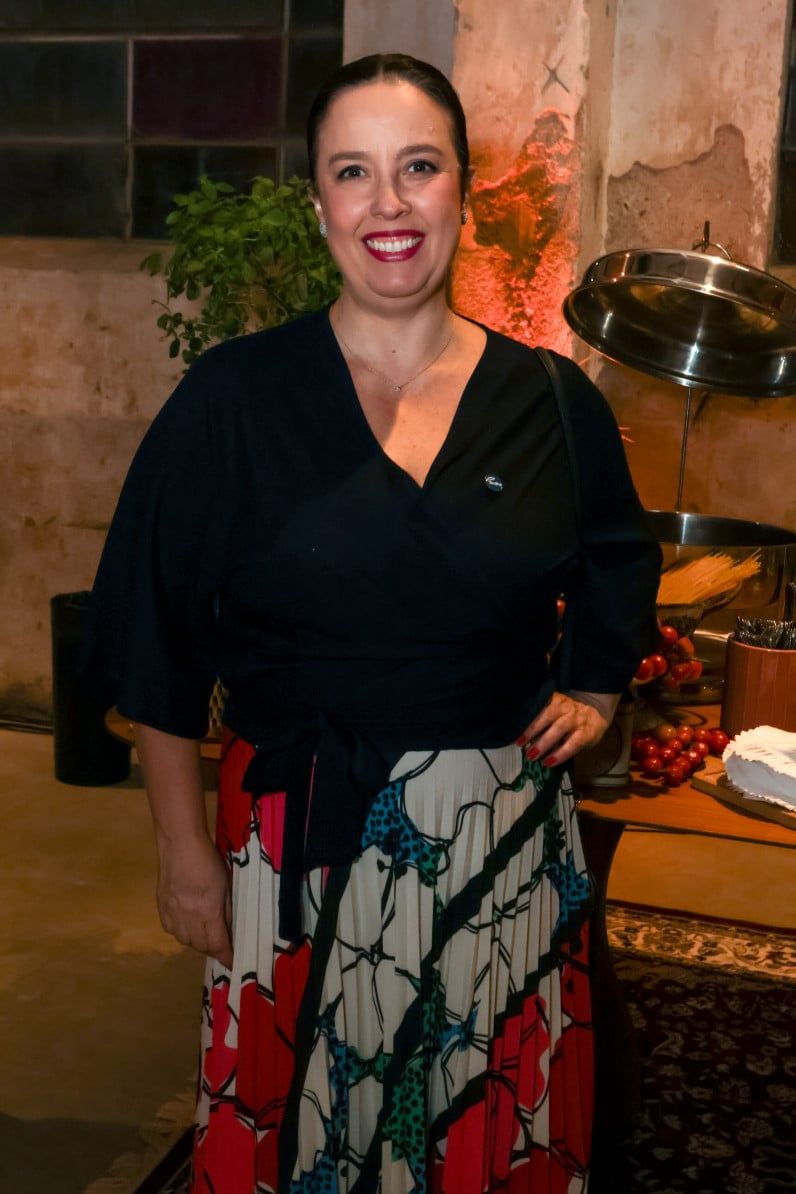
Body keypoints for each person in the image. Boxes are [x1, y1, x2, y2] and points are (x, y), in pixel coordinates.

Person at [87, 52, 660, 1194]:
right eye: (353, 172)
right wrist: (183, 849)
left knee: (473, 1132)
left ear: (462, 193)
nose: (388, 202)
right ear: (319, 205)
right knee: (300, 1135)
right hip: (291, 834)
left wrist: (595, 686)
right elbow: (152, 629)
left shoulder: (551, 402)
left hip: (495, 843)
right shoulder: (233, 399)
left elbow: (617, 553)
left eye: (419, 168)